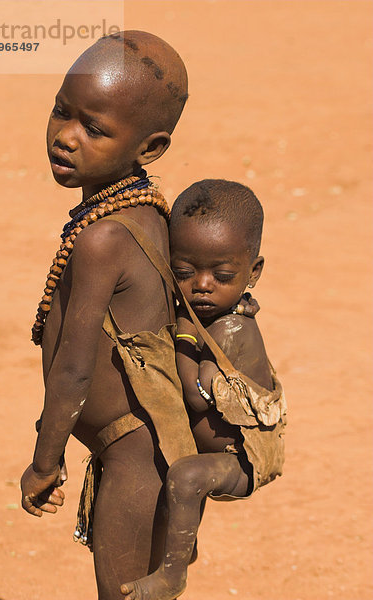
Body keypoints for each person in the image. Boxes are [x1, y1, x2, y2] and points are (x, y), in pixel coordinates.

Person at [20, 30, 199, 600]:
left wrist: (45, 463)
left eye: (94, 129)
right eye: (61, 112)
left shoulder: (102, 238)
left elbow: (73, 370)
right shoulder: (146, 212)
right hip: (145, 450)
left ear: (149, 149)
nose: (67, 137)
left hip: (133, 459)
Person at [121, 179, 287, 600]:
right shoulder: (209, 314)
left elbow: (196, 395)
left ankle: (172, 575)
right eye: (184, 273)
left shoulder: (230, 330)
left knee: (187, 474)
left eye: (223, 275)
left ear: (254, 272)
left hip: (243, 459)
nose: (202, 285)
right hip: (211, 445)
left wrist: (182, 335)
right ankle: (184, 540)